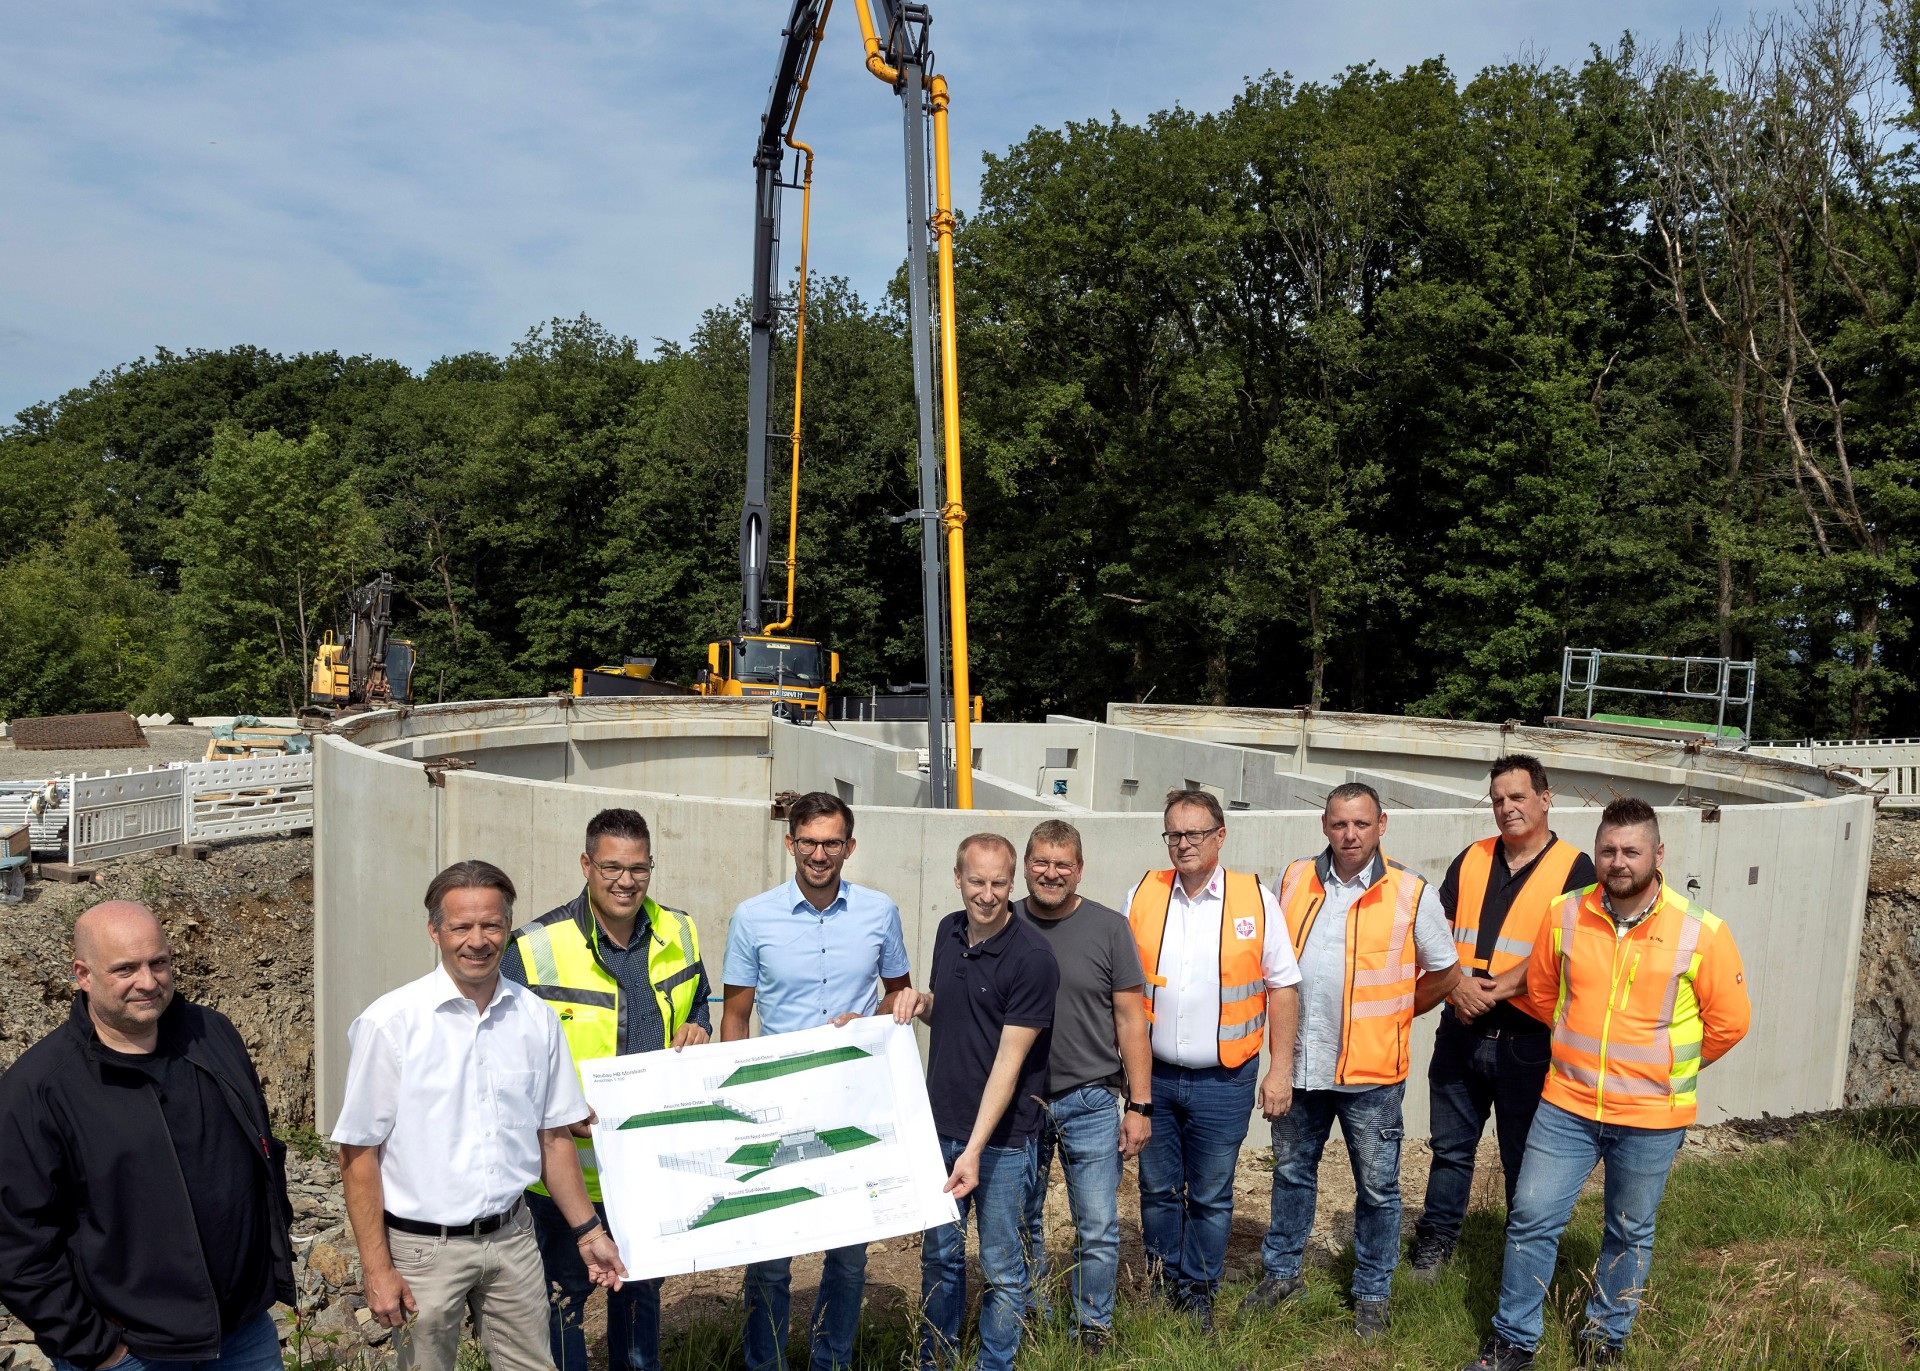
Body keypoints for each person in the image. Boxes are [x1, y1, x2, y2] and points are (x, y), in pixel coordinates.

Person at [1462, 797, 1750, 1371]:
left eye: (1631, 851)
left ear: (1658, 854)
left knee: (1628, 1230)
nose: (1618, 861)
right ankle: (1514, 1340)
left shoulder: (1701, 932)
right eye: (1608, 850)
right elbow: (1543, 994)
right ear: (1596, 852)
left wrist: (1664, 1071)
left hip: (1649, 1118)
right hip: (1565, 1104)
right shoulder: (1565, 913)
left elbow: (1729, 1024)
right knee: (1532, 1216)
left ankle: (1603, 1338)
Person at [332, 860, 626, 1371]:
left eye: (491, 925)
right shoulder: (391, 1024)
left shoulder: (537, 1019)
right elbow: (358, 1153)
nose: (478, 940)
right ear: (434, 931)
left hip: (513, 1239)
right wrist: (377, 1268)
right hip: (424, 1251)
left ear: (508, 928)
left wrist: (589, 1233)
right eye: (461, 926)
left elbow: (554, 1139)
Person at [0, 900, 294, 1371]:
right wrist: (94, 1347)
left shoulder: (212, 1034)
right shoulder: (38, 1089)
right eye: (125, 969)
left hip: (243, 1333)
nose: (148, 981)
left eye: (159, 962)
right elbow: (16, 1241)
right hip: (132, 1352)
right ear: (83, 974)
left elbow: (262, 1154)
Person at [500, 808, 711, 1371]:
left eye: (639, 869)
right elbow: (502, 1056)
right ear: (587, 864)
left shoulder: (680, 932)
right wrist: (549, 1107)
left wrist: (699, 1029)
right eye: (612, 867)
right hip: (566, 1175)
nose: (626, 882)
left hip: (648, 1167)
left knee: (640, 1298)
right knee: (562, 1307)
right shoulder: (533, 947)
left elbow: (697, 1007)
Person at [721, 791, 923, 1371]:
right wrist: (736, 1105)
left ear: (849, 847)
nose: (818, 854)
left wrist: (878, 1016)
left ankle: (831, 1360)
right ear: (790, 844)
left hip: (855, 1098)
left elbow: (897, 996)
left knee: (850, 1248)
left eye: (830, 843)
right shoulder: (752, 916)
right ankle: (767, 1362)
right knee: (772, 1252)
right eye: (807, 842)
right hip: (778, 1102)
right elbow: (735, 1017)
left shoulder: (879, 911)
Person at [1251, 782, 1460, 1341]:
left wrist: (1395, 1015)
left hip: (1371, 1074)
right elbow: (1274, 965)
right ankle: (1282, 1273)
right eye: (1340, 824)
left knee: (1377, 1187)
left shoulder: (1412, 891)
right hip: (1301, 1065)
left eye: (1362, 824)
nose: (1350, 835)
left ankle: (1371, 1290)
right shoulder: (1294, 878)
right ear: (1325, 825)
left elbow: (1444, 971)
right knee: (1292, 1174)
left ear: (1382, 824)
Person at [1410, 756, 1597, 1279]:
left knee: (1525, 1158)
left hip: (1527, 1040)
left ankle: (1524, 1256)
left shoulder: (1577, 869)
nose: (1507, 808)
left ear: (1545, 797)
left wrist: (1491, 991)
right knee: (1450, 1150)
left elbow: (1567, 953)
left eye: (1517, 797)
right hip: (1460, 1030)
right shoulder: (1472, 857)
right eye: (1497, 800)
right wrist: (1459, 986)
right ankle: (1437, 1242)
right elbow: (1437, 932)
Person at [1124, 788, 1301, 1331]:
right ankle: (1160, 1280)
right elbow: (1123, 987)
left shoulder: (1255, 898)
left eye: (1194, 833)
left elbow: (1284, 987)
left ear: (1220, 837)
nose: (1183, 844)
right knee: (1155, 1189)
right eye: (1174, 834)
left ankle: (1197, 1288)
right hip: (1153, 1077)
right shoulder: (1143, 892)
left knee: (1209, 1193)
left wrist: (1279, 1069)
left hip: (1224, 1080)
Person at [915, 833, 1060, 1371]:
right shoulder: (948, 932)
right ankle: (936, 1358)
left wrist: (972, 1150)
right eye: (977, 881)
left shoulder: (1033, 960)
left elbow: (1009, 1063)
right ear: (958, 879)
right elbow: (947, 1009)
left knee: (1002, 1267)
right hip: (940, 1126)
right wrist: (918, 1002)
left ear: (1013, 883)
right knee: (941, 1259)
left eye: (999, 883)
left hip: (998, 1142)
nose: (987, 893)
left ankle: (995, 1363)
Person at [1016, 819, 1153, 1353]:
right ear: (1027, 865)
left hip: (1090, 1099)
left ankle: (1092, 1326)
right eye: (1042, 863)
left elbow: (1130, 1021)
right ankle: (1028, 1311)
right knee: (1021, 1218)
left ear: (1079, 869)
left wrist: (1138, 1103)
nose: (1051, 874)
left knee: (1096, 1224)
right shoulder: (1003, 922)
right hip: (1019, 1102)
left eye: (1062, 864)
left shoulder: (1109, 928)